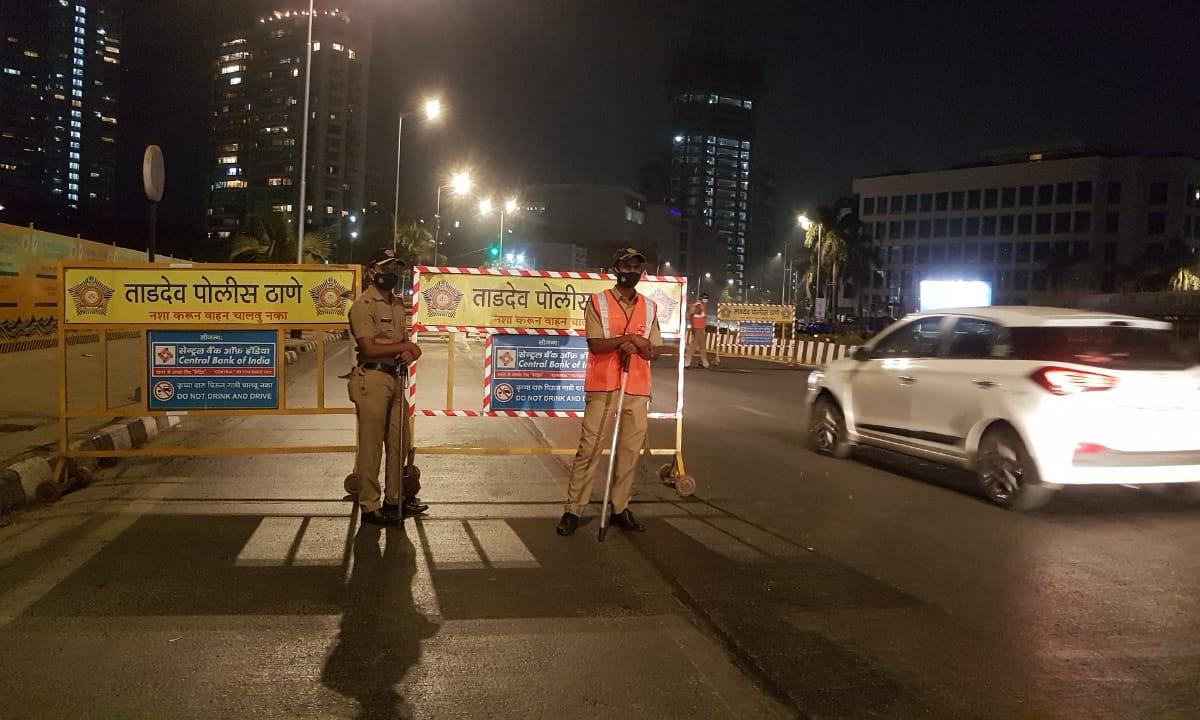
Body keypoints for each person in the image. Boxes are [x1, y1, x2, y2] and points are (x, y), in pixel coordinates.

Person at [557, 248, 665, 537]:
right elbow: (596, 344)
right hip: (603, 386)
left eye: (636, 267)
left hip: (637, 388)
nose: (631, 271)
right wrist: (627, 339)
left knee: (629, 452)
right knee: (589, 449)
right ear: (615, 268)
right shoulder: (598, 302)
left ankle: (619, 508)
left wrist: (641, 346)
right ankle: (573, 510)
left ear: (642, 272)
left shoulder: (650, 307)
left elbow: (655, 350)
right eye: (626, 266)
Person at [347, 249, 428, 527]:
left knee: (399, 442)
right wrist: (406, 346)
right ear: (372, 272)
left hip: (395, 378)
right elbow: (368, 348)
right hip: (372, 378)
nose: (391, 274)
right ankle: (370, 506)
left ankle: (395, 501)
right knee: (371, 447)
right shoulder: (363, 305)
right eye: (386, 268)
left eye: (395, 269)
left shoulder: (397, 305)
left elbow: (402, 342)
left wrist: (409, 352)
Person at [685, 292, 710, 369]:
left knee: (702, 346)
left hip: (700, 328)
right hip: (697, 328)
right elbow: (692, 316)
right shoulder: (699, 306)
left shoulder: (701, 305)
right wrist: (694, 328)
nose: (706, 299)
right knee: (694, 346)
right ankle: (687, 362)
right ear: (701, 298)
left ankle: (705, 362)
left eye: (707, 298)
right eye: (704, 298)